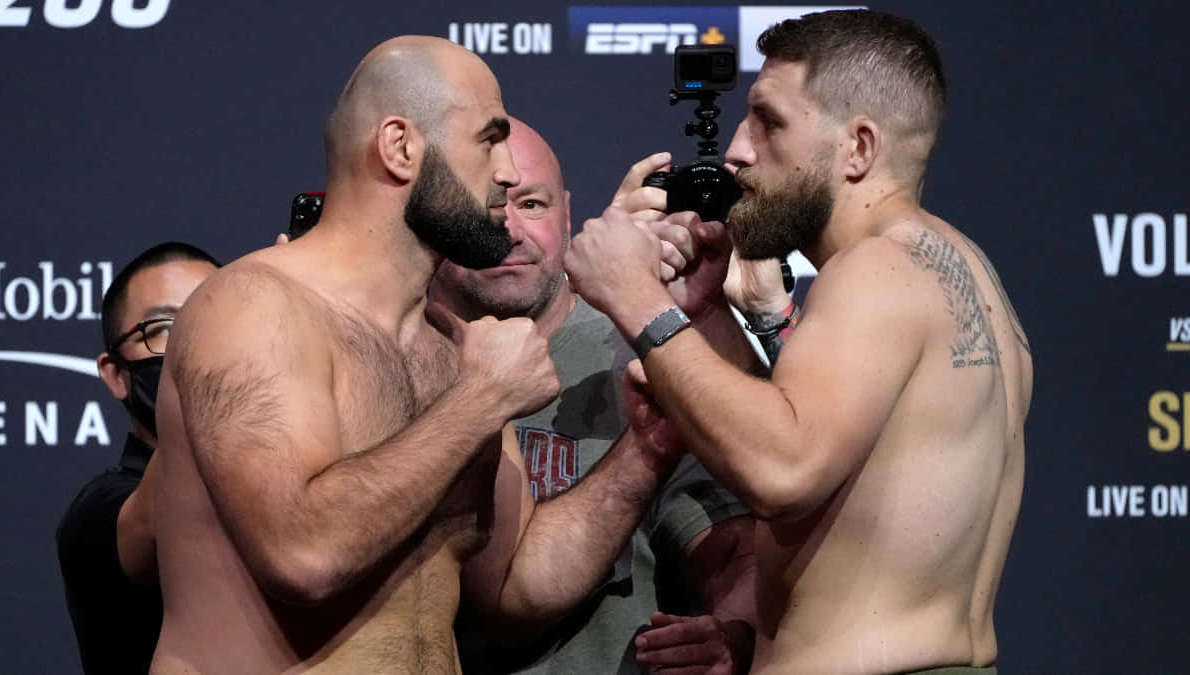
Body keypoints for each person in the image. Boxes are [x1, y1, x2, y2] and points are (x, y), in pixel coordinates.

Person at [150, 37, 682, 674]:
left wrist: (647, 449)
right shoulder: (253, 306)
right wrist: (481, 401)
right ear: (400, 147)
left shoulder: (452, 347)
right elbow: (303, 553)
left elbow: (514, 586)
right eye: (488, 140)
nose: (507, 173)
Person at [566, 9, 1032, 674]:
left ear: (859, 148)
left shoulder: (874, 271)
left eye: (770, 121)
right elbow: (810, 442)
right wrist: (707, 315)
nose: (738, 149)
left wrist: (633, 295)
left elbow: (782, 471)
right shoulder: (963, 271)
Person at [432, 119, 757, 674]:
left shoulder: (646, 351)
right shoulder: (399, 359)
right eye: (487, 206)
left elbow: (729, 543)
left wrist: (734, 630)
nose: (510, 229)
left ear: (566, 213)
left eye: (531, 204)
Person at [56, 242, 219, 674]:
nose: (193, 342)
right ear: (116, 374)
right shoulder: (99, 512)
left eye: (212, 319)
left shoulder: (294, 481)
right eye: (164, 329)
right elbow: (161, 522)